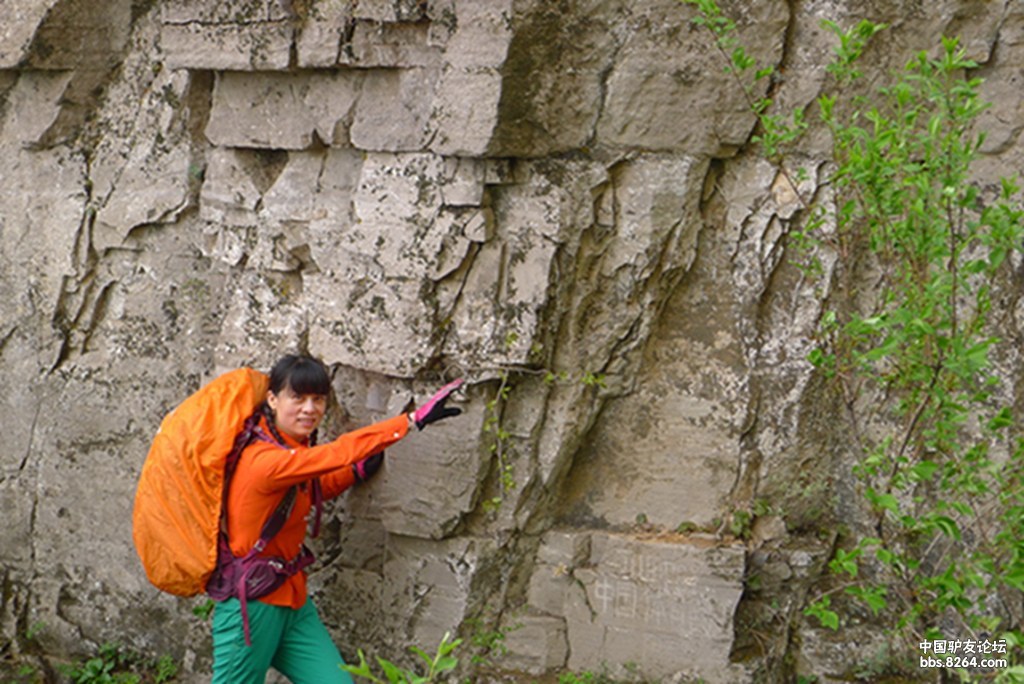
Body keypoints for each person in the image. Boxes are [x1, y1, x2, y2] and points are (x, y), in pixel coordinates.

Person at [209, 354, 462, 684]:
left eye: (317, 399)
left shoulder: (285, 448)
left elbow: (307, 487)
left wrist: (352, 474)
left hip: (291, 600)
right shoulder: (263, 460)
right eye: (297, 398)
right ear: (272, 400)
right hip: (253, 605)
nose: (309, 409)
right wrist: (409, 421)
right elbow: (334, 454)